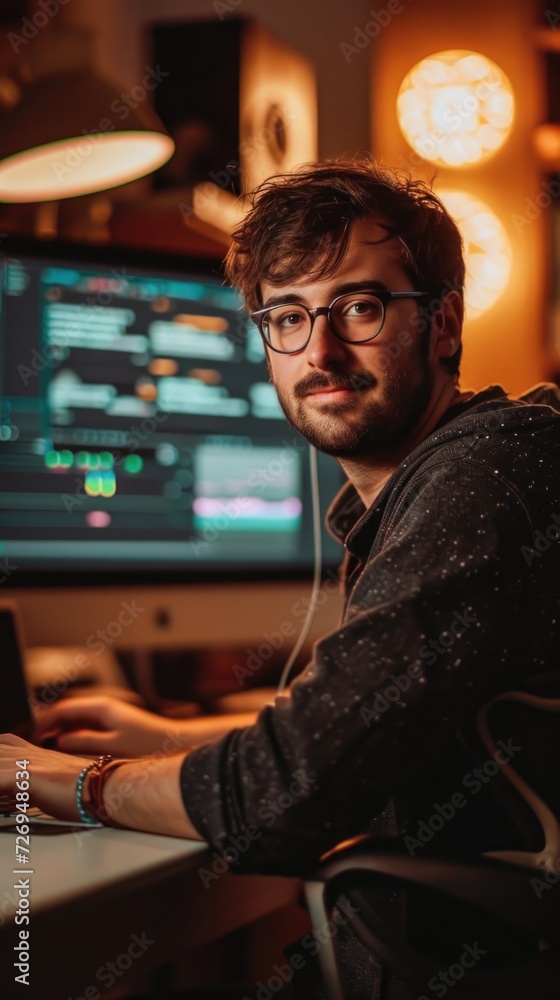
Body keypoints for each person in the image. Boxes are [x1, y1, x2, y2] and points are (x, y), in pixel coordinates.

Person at [1, 159, 559, 999]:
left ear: (443, 323)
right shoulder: (446, 480)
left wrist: (51, 777)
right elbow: (363, 739)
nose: (320, 351)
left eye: (359, 309)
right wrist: (161, 742)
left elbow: (287, 794)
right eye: (288, 318)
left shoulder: (487, 475)